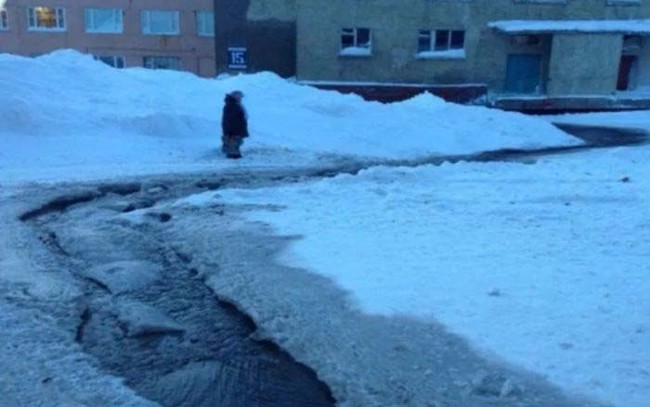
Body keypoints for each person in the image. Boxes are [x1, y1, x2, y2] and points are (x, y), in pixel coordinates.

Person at [221, 90, 248, 159]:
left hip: (236, 132)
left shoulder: (235, 105)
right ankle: (233, 163)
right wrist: (230, 132)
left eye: (241, 97)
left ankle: (233, 159)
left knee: (235, 147)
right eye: (239, 97)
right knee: (233, 151)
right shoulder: (231, 105)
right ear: (235, 96)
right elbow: (229, 120)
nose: (241, 99)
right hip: (233, 133)